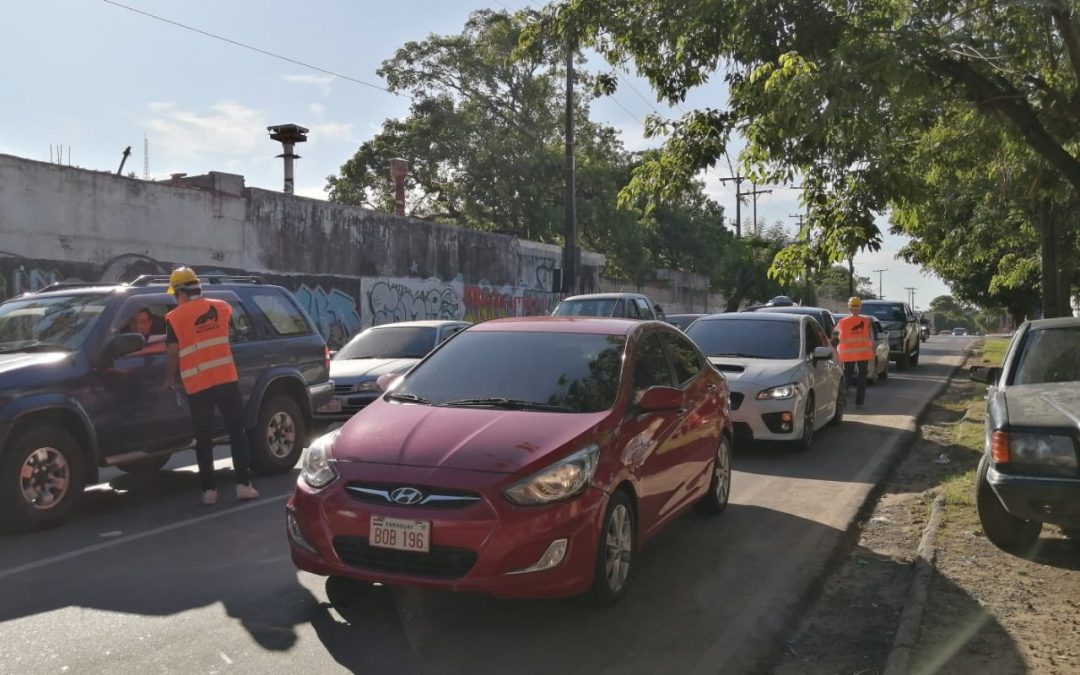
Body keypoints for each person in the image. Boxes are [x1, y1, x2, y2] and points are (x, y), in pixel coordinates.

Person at [162, 267, 258, 505]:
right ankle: (243, 485)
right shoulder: (222, 307)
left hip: (198, 385)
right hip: (226, 379)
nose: (175, 298)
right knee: (237, 433)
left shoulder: (175, 318)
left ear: (181, 293)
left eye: (175, 294)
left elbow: (173, 354)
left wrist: (167, 379)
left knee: (203, 439)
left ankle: (209, 492)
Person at [836, 296, 874, 408]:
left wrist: (836, 351)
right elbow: (870, 337)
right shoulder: (866, 321)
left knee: (847, 378)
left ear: (849, 308)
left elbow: (835, 337)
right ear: (860, 307)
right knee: (862, 378)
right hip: (863, 354)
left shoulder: (842, 322)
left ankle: (843, 402)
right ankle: (859, 403)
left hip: (847, 354)